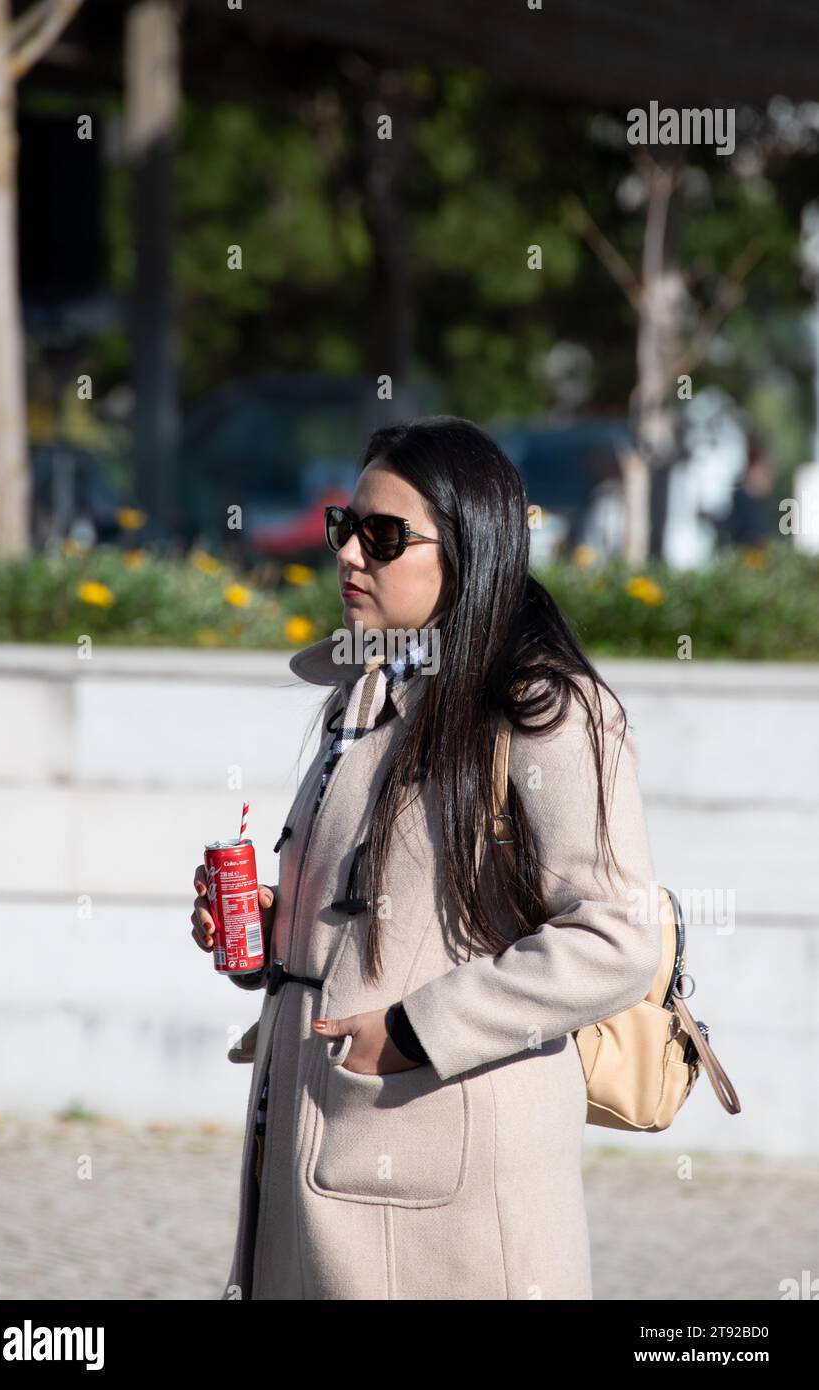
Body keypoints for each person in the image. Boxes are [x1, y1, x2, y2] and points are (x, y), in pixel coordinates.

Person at [190, 415, 661, 1300]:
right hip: (319, 1150)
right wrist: (268, 927)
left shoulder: (546, 709)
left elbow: (615, 939)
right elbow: (383, 910)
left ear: (470, 548)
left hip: (446, 1180)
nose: (349, 556)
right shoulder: (364, 688)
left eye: (385, 536)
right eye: (346, 527)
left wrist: (412, 1035)